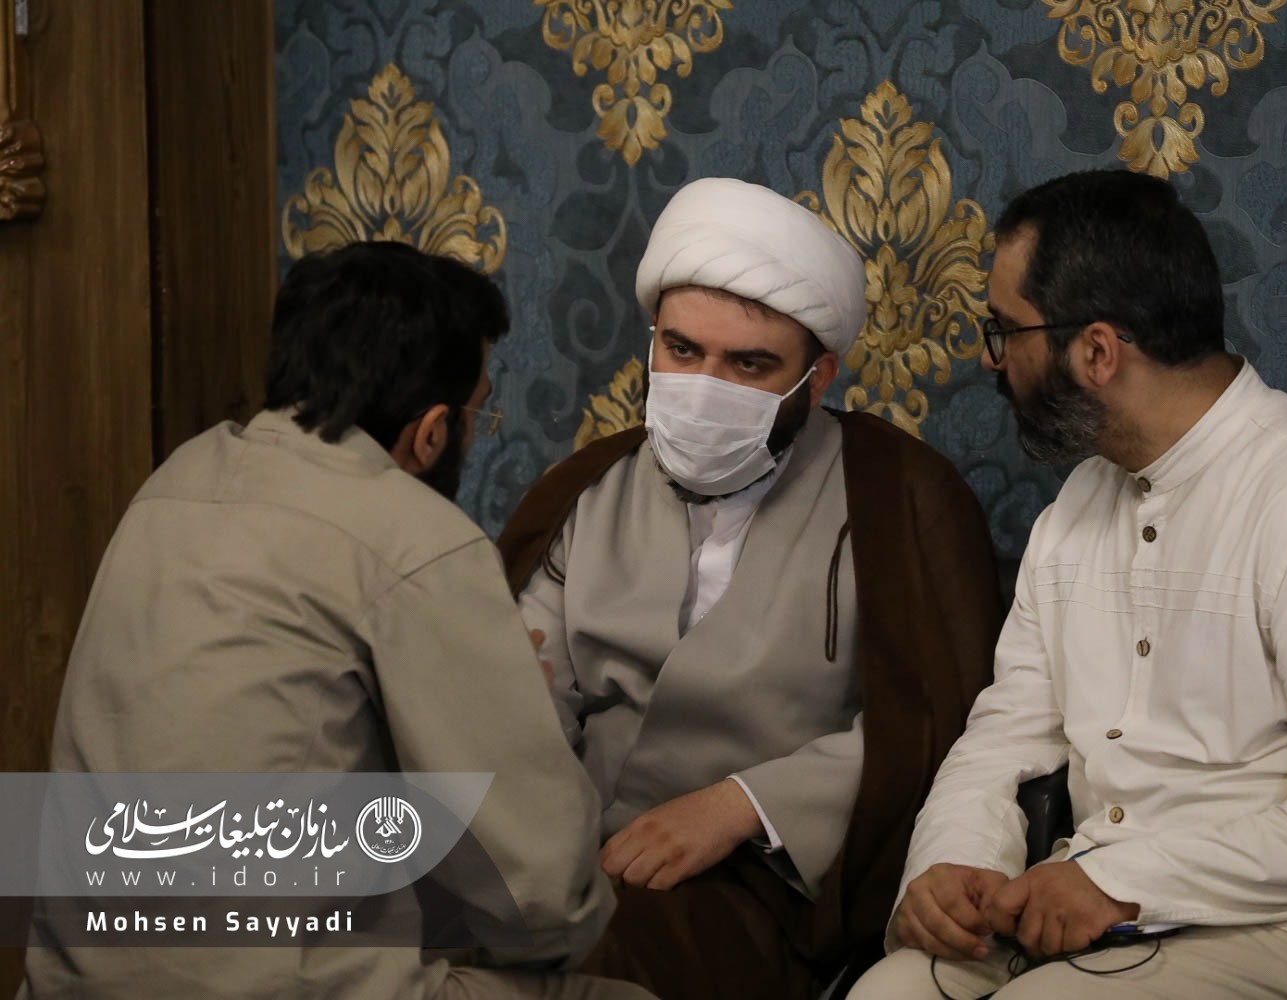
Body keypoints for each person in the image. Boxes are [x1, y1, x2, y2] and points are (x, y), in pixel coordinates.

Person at [849, 169, 1287, 999]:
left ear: (1096, 351)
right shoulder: (1080, 505)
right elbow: (1009, 731)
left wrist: (1124, 883)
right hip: (1107, 901)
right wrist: (954, 863)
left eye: (1005, 330)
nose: (991, 358)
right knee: (890, 992)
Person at [22, 242, 653, 1000]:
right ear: (431, 431)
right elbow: (545, 900)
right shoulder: (415, 536)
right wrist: (516, 702)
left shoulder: (171, 484)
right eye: (476, 414)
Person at [496, 177, 1004, 1000]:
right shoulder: (590, 487)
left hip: (763, 881)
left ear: (818, 376)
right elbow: (524, 686)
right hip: (565, 843)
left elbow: (932, 724)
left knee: (589, 967)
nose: (705, 386)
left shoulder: (900, 496)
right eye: (682, 350)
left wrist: (742, 806)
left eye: (749, 364)